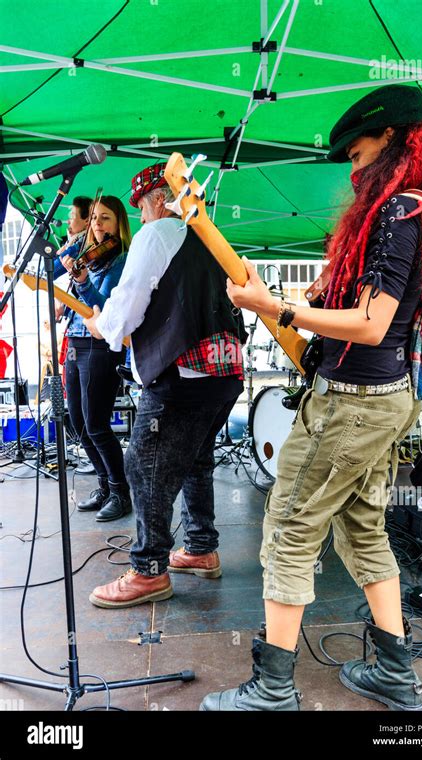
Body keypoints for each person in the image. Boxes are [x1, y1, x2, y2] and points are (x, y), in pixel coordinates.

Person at [200, 84, 422, 711]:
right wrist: (297, 302)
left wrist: (277, 306)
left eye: (357, 152)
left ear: (396, 143)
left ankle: (272, 689)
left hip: (350, 405)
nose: (351, 166)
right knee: (362, 532)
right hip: (385, 402)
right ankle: (396, 677)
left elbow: (373, 324)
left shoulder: (399, 212)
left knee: (290, 530)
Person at [83, 163, 247, 609]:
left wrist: (105, 326)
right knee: (195, 461)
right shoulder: (212, 238)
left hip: (182, 376)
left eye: (139, 209)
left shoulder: (157, 235)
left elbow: (129, 303)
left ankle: (149, 570)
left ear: (157, 200)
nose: (139, 219)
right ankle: (199, 548)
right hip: (227, 373)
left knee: (143, 465)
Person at [54, 195, 132, 521]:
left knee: (97, 424)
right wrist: (70, 253)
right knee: (78, 423)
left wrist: (83, 283)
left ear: (119, 225)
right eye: (95, 219)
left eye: (105, 219)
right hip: (75, 340)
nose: (98, 225)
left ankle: (120, 491)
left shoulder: (121, 260)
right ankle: (104, 485)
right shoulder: (87, 254)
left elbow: (104, 309)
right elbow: (52, 270)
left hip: (100, 345)